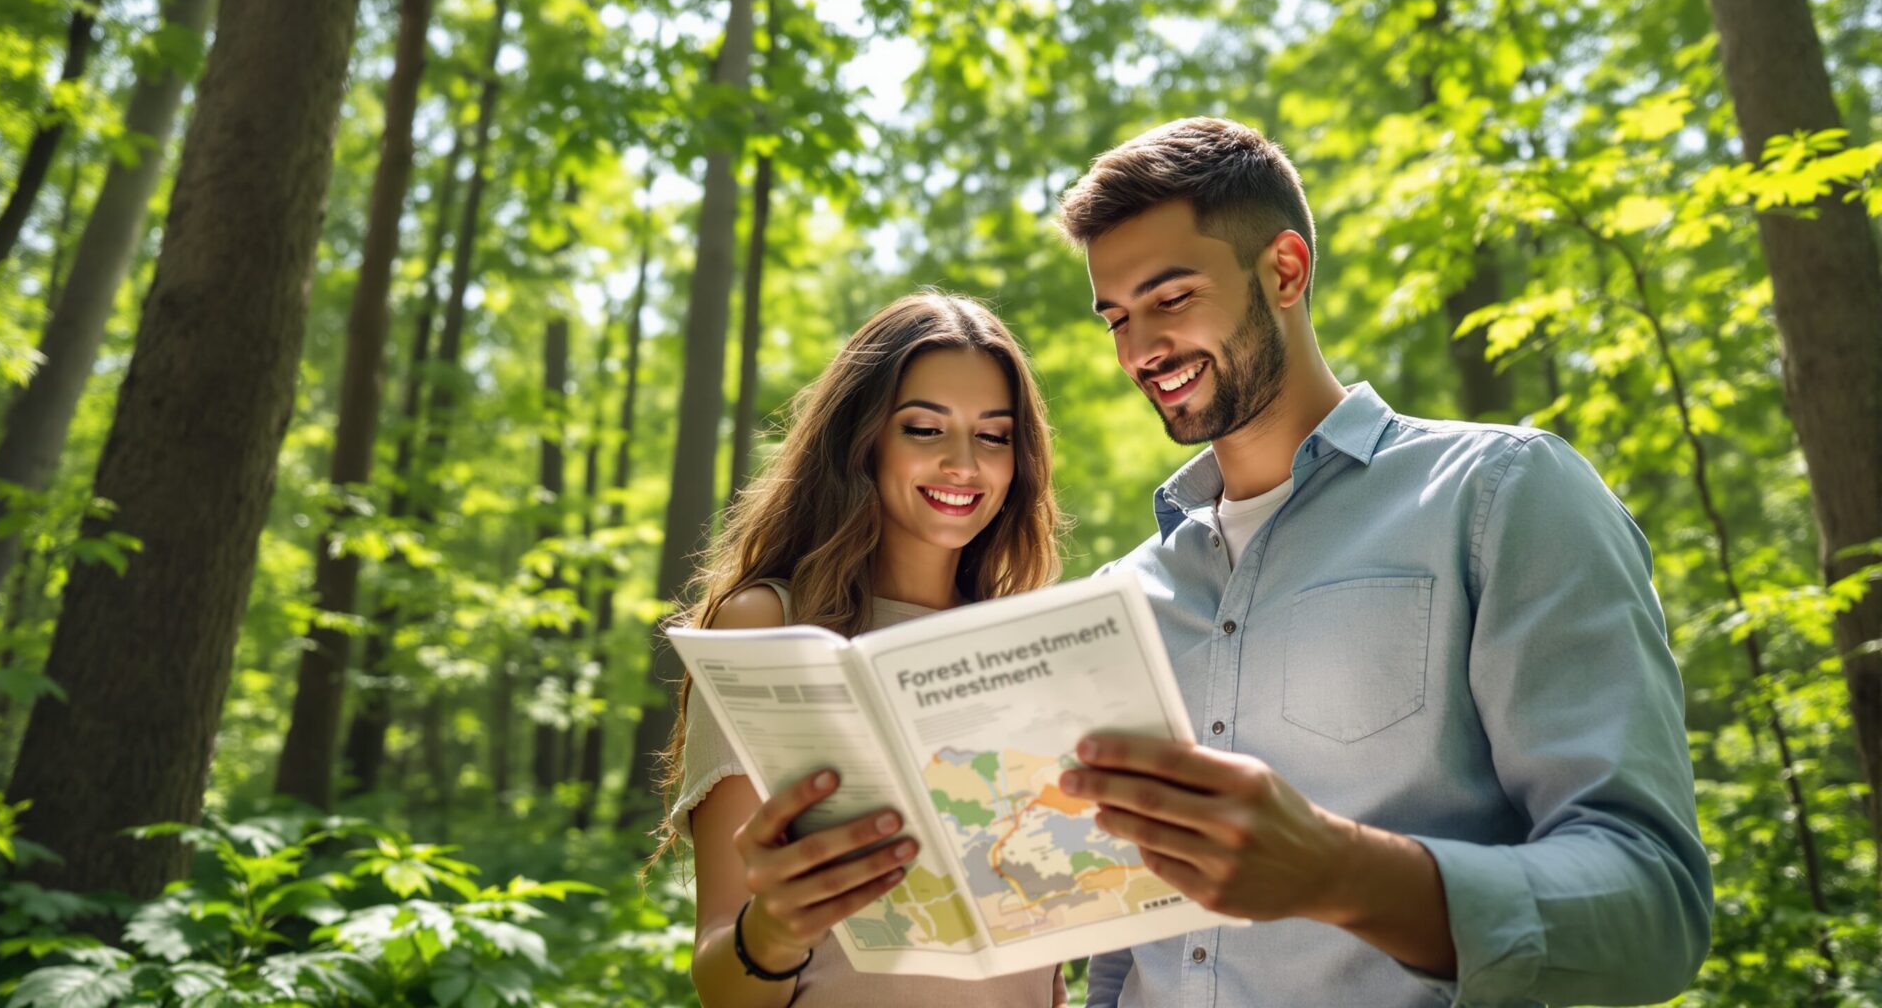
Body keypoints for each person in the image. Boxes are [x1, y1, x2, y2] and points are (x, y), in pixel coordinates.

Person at [1049, 118, 1712, 1007]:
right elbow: (1128, 945)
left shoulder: (1500, 495)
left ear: (1284, 270)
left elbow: (1653, 909)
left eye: (1170, 299)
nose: (1139, 352)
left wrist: (1338, 872)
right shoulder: (1120, 597)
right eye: (1117, 319)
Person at [654, 292, 1070, 1007]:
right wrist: (775, 930)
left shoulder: (1026, 647)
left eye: (993, 436)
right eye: (924, 428)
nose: (962, 464)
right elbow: (721, 982)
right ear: (863, 439)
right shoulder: (767, 626)